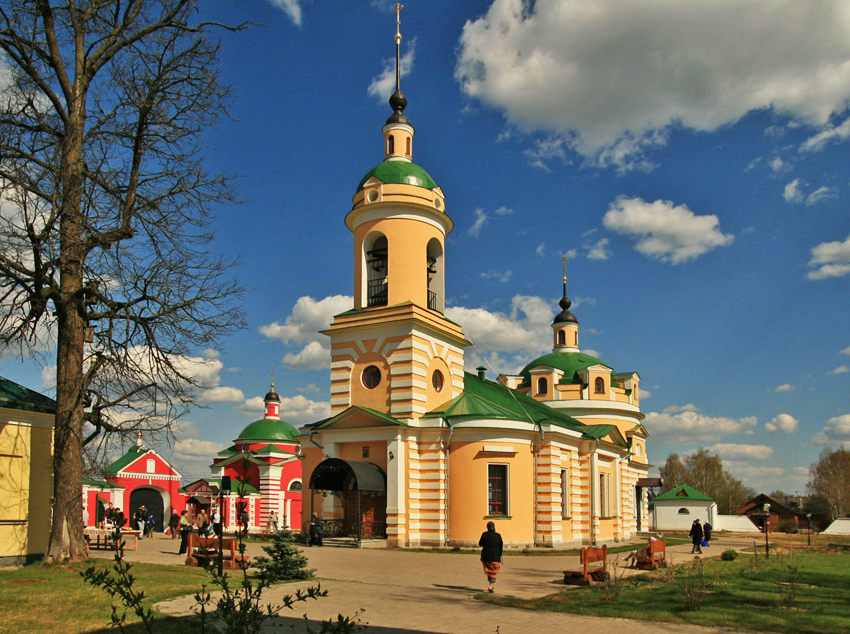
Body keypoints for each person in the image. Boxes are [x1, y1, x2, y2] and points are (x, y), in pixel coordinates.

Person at [478, 521, 503, 593]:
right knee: (493, 571)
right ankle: (491, 585)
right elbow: (500, 546)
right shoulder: (498, 535)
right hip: (495, 556)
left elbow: (480, 544)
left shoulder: (484, 534)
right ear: (494, 527)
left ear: (487, 527)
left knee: (489, 571)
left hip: (486, 556)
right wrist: (500, 554)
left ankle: (491, 585)